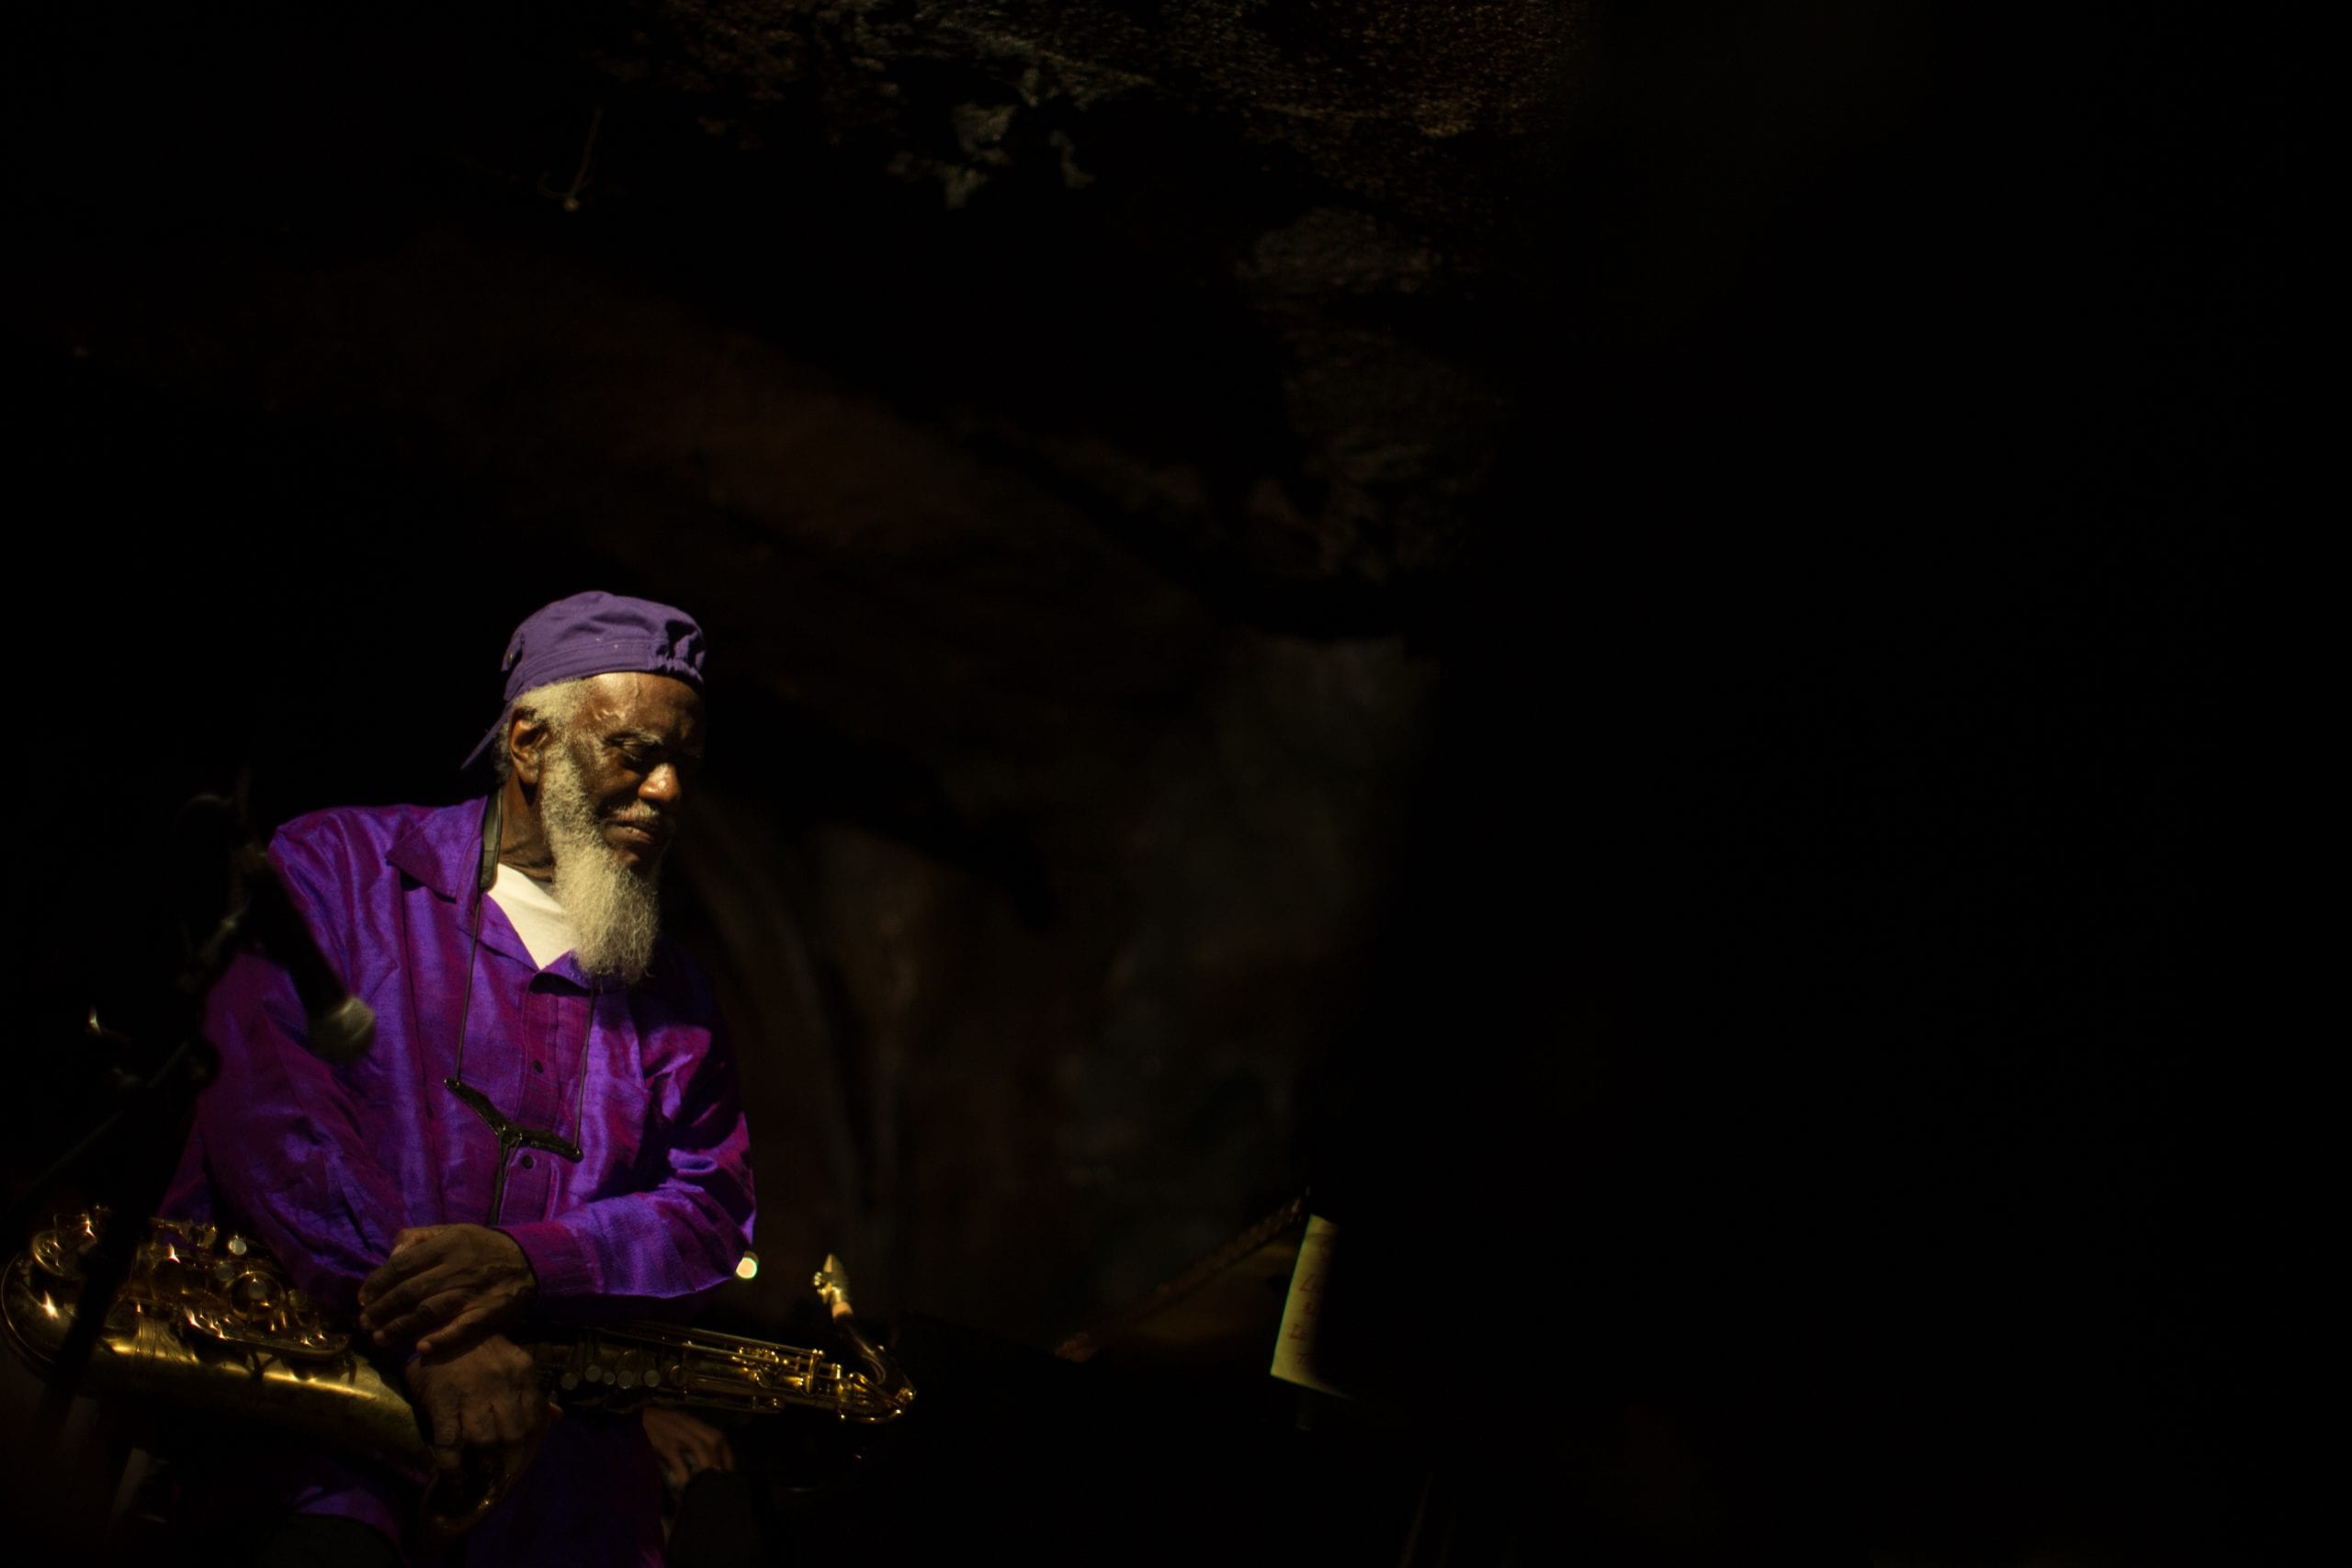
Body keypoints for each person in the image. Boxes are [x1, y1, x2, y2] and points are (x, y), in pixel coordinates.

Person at [159, 592, 756, 1567]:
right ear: (528, 742)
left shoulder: (674, 989)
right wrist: (435, 1332)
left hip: (562, 1493)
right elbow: (273, 1112)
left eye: (682, 764)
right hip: (309, 1437)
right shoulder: (337, 869)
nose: (667, 792)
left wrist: (532, 1263)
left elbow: (711, 1208)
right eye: (633, 753)